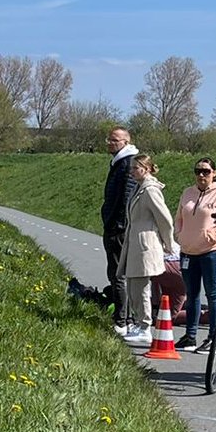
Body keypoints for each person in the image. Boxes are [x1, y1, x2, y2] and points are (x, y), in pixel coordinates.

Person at [172, 157, 216, 352]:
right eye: (198, 171)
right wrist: (179, 236)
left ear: (214, 173)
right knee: (191, 294)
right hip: (188, 251)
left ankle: (214, 337)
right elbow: (179, 218)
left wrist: (209, 237)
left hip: (211, 252)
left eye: (206, 171)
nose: (201, 175)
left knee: (213, 294)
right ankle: (190, 336)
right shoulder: (188, 192)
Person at [117, 155, 179, 345]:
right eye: (131, 168)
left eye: (135, 168)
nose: (132, 171)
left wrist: (169, 243)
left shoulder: (150, 190)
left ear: (146, 168)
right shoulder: (138, 188)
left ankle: (145, 327)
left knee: (141, 287)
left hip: (146, 244)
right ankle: (139, 323)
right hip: (134, 242)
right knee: (133, 285)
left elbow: (165, 219)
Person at [100, 127, 138, 331]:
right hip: (114, 225)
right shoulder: (119, 162)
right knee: (115, 273)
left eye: (114, 140)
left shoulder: (127, 163)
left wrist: (119, 225)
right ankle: (124, 316)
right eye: (109, 139)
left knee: (119, 274)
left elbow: (126, 197)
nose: (110, 143)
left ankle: (122, 319)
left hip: (118, 228)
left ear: (125, 142)